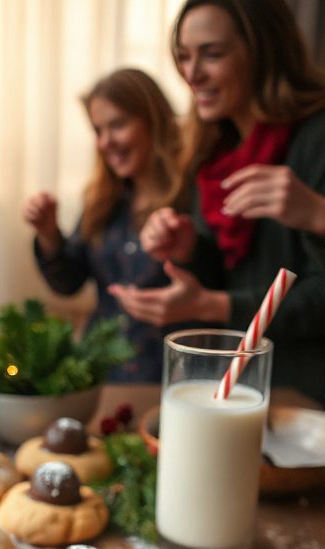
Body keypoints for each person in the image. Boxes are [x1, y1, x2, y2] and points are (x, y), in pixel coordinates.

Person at [111, 0, 325, 405]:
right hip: (247, 389)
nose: (192, 73)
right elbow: (226, 275)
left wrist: (316, 213)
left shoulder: (316, 138)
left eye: (212, 54)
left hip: (307, 400)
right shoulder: (214, 150)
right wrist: (189, 248)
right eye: (184, 57)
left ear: (265, 52)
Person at [23, 68, 184, 382]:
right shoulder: (104, 200)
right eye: (98, 130)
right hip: (101, 375)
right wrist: (48, 234)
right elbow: (68, 281)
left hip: (171, 377)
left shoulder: (190, 200)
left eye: (118, 125)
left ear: (154, 120)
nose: (105, 142)